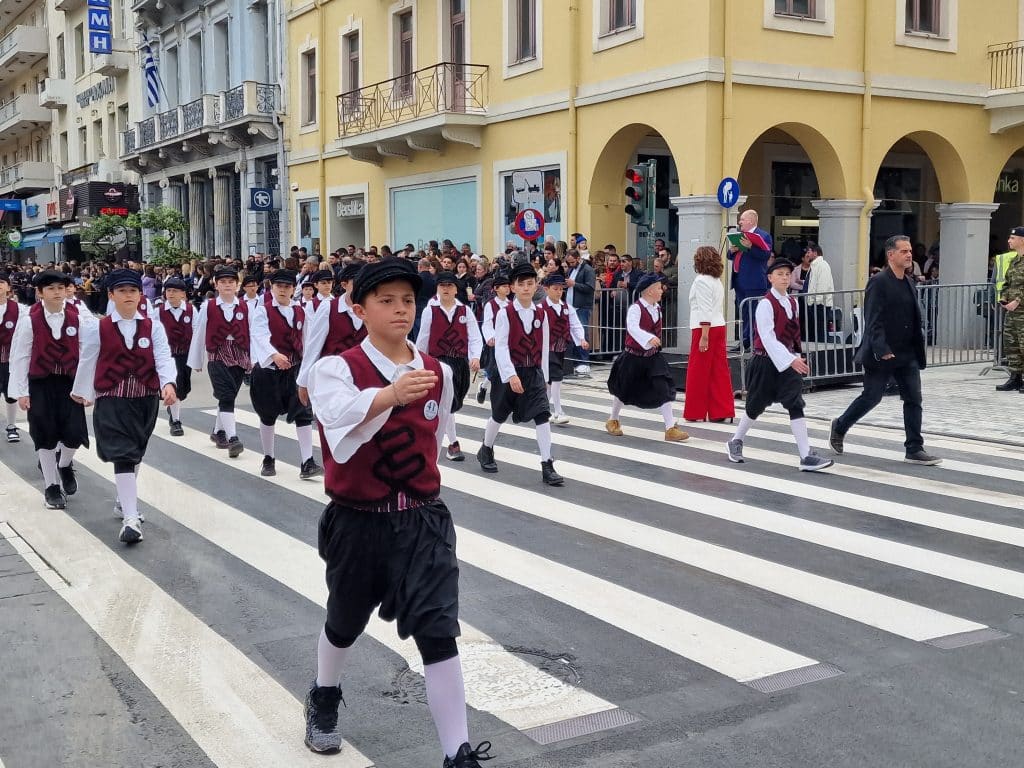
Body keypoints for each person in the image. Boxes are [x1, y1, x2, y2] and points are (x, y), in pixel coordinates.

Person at [304, 259, 492, 768]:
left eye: (407, 300)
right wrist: (388, 395)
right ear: (358, 309)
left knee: (438, 629)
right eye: (386, 300)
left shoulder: (438, 370)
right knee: (345, 620)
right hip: (358, 519)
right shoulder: (336, 368)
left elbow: (438, 427)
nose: (400, 309)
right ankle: (324, 694)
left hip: (424, 519)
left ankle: (459, 753)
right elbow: (339, 432)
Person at [71, 269, 178, 544]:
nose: (128, 296)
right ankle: (131, 519)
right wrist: (82, 392)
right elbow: (89, 358)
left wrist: (169, 384)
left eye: (132, 291)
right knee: (124, 454)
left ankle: (123, 501)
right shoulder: (99, 327)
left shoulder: (153, 326)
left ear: (140, 295)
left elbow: (163, 357)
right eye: (121, 291)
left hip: (145, 397)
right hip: (112, 396)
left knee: (136, 451)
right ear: (111, 295)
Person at [828, 236, 941, 465]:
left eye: (910, 251)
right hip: (883, 353)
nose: (909, 255)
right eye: (904, 251)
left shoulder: (909, 281)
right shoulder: (878, 282)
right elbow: (873, 319)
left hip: (907, 352)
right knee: (872, 397)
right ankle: (840, 426)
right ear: (891, 255)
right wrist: (882, 348)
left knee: (913, 399)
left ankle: (914, 448)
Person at [726, 260, 833, 471]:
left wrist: (797, 357)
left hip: (788, 362)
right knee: (755, 405)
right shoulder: (765, 304)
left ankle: (805, 455)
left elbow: (794, 334)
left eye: (787, 274)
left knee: (795, 403)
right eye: (780, 274)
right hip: (765, 361)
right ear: (770, 278)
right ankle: (735, 440)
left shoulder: (792, 302)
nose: (785, 277)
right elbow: (767, 338)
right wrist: (790, 359)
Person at [8, 271, 93, 509]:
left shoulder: (78, 319)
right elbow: (21, 356)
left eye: (60, 288)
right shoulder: (29, 321)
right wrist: (22, 392)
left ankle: (64, 464)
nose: (57, 293)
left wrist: (87, 389)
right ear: (40, 293)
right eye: (51, 289)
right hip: (41, 383)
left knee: (75, 435)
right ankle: (51, 486)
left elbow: (87, 354)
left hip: (69, 383)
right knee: (44, 435)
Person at [476, 261, 564, 486]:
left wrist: (544, 377)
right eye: (521, 284)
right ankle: (486, 448)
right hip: (510, 372)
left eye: (530, 283)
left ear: (536, 287)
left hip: (533, 372)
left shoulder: (541, 313)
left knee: (542, 416)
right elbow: (502, 346)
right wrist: (510, 375)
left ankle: (547, 464)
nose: (526, 288)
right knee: (499, 414)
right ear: (513, 288)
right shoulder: (505, 313)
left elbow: (544, 347)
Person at [248, 270, 323, 479]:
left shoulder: (301, 311)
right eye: (279, 286)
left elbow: (308, 341)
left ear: (293, 289)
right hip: (269, 372)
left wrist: (309, 367)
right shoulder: (263, 311)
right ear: (272, 288)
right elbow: (259, 335)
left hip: (294, 371)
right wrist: (273, 355)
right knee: (267, 415)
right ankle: (268, 457)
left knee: (303, 413)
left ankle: (307, 461)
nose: (283, 290)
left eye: (287, 287)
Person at [605, 273, 689, 442]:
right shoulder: (635, 308)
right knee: (623, 389)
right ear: (650, 291)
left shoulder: (657, 308)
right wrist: (648, 338)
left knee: (663, 387)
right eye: (659, 288)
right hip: (633, 356)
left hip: (652, 356)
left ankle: (670, 427)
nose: (662, 290)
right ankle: (613, 419)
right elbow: (632, 328)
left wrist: (653, 342)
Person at [415, 271, 482, 462]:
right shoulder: (431, 309)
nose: (445, 289)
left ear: (455, 289)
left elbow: (474, 336)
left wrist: (475, 357)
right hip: (438, 362)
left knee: (453, 402)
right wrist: (421, 362)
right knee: (447, 403)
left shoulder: (464, 310)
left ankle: (433, 433)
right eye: (442, 286)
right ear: (437, 288)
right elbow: (423, 338)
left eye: (449, 286)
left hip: (459, 363)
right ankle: (452, 444)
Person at [187, 266, 251, 458]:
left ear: (237, 285)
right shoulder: (210, 306)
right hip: (218, 353)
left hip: (239, 353)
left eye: (231, 282)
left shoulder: (245, 306)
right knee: (226, 396)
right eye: (223, 282)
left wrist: (253, 359)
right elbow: (199, 332)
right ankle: (233, 438)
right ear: (216, 284)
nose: (227, 285)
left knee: (229, 394)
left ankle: (218, 431)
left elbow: (253, 332)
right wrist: (196, 360)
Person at [297, 262, 366, 404]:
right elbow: (314, 345)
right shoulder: (328, 308)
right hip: (332, 379)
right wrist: (303, 382)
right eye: (356, 282)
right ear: (344, 284)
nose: (362, 287)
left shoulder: (371, 309)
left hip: (363, 379)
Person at [683, 247, 735, 423]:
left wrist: (704, 335)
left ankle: (695, 411)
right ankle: (721, 410)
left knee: (698, 371)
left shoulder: (701, 281)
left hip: (704, 328)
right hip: (719, 325)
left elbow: (704, 309)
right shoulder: (716, 281)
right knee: (719, 370)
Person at [541, 273, 587, 425]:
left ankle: (544, 410)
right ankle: (558, 411)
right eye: (555, 289)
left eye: (561, 289)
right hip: (546, 349)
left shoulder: (567, 308)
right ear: (546, 289)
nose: (559, 292)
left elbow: (574, 324)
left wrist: (581, 339)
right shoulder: (541, 308)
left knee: (549, 381)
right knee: (556, 377)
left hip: (562, 347)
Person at [727, 209, 772, 350]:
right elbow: (730, 256)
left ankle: (753, 341)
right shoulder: (740, 236)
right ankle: (744, 340)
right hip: (739, 280)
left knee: (754, 313)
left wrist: (751, 246)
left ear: (751, 221)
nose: (739, 222)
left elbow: (765, 255)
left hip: (754, 281)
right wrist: (732, 251)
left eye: (742, 219)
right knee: (743, 312)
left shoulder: (763, 236)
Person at [156, 277, 194, 436]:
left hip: (185, 354)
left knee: (183, 388)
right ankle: (176, 421)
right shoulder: (158, 311)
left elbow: (197, 332)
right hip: (168, 355)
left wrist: (196, 358)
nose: (170, 294)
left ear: (183, 294)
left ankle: (173, 411)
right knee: (175, 384)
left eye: (175, 291)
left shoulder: (191, 310)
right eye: (168, 291)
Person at [474, 271, 510, 404]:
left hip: (507, 342)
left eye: (508, 286)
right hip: (495, 342)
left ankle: (503, 395)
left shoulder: (510, 304)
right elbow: (487, 324)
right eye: (503, 286)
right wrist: (490, 337)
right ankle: (483, 387)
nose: (507, 288)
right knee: (494, 369)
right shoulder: (491, 305)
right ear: (496, 289)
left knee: (505, 367)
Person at [995, 227, 1024, 391]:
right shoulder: (1014, 261)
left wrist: (1018, 301)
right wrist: (1004, 297)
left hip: (1022, 310)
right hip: (1012, 312)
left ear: (1022, 240)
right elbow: (1007, 282)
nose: (1009, 241)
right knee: (1011, 344)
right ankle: (1015, 377)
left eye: (1012, 238)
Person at [0, 273, 27, 443]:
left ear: (9, 287)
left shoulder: (20, 309)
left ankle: (11, 426)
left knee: (10, 394)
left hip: (10, 359)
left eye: (1, 282)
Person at [564, 249, 595, 376]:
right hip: (571, 307)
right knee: (573, 334)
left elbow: (590, 288)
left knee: (582, 334)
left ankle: (585, 362)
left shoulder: (588, 270)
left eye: (572, 262)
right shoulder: (572, 269)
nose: (570, 264)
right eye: (569, 262)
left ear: (578, 259)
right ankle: (576, 361)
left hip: (581, 307)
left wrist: (574, 284)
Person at [803, 242, 835, 342]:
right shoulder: (814, 266)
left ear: (815, 253)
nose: (807, 255)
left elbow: (822, 286)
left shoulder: (823, 265)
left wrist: (816, 302)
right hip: (813, 304)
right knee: (814, 332)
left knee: (820, 333)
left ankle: (820, 355)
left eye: (809, 252)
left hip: (820, 305)